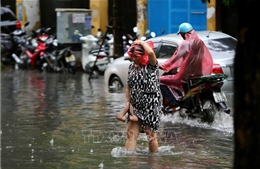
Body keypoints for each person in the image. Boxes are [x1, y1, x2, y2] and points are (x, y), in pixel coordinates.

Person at [118, 39, 163, 153]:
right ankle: (132, 162)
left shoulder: (151, 66)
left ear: (143, 55)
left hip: (151, 106)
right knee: (131, 133)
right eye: (131, 55)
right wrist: (128, 103)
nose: (133, 58)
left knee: (150, 135)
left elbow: (151, 53)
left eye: (136, 56)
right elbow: (128, 87)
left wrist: (142, 43)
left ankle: (153, 162)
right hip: (135, 105)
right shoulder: (132, 67)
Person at [159, 22, 213, 111]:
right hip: (199, 73)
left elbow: (175, 58)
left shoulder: (185, 44)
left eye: (181, 34)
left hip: (185, 75)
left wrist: (164, 66)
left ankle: (174, 102)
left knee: (160, 80)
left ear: (184, 34)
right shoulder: (199, 42)